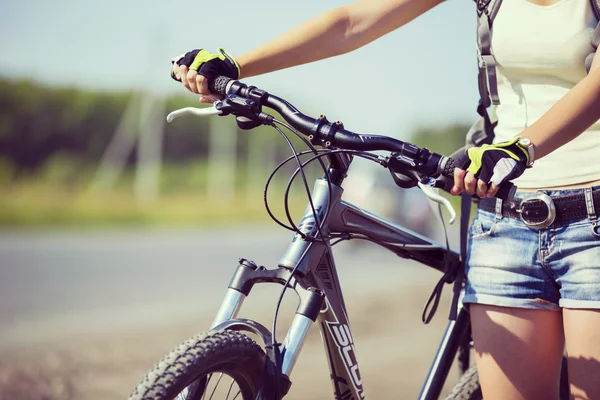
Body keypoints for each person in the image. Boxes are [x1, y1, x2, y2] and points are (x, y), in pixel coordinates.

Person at [170, 0, 600, 398]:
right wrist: (237, 65)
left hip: (592, 220)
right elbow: (354, 22)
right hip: (503, 219)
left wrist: (520, 148)